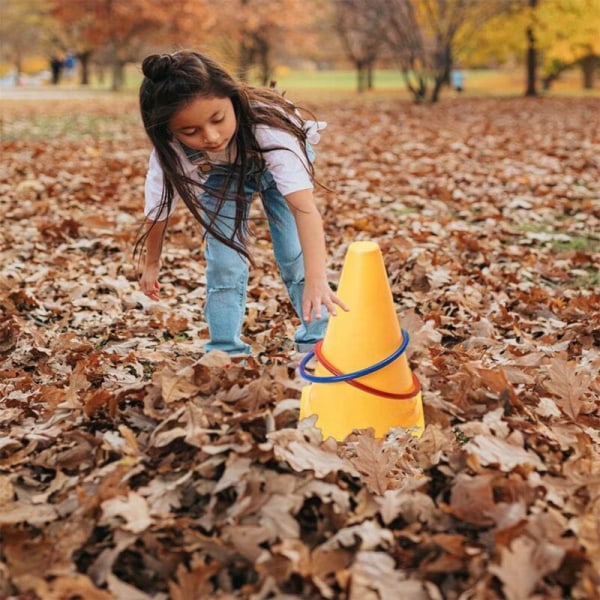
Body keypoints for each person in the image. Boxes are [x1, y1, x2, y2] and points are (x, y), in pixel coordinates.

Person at [137, 50, 347, 355]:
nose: (211, 137)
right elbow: (158, 210)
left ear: (231, 98)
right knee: (224, 263)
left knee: (293, 255)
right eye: (190, 131)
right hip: (222, 174)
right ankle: (225, 350)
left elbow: (304, 209)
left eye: (218, 119)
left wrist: (317, 280)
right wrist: (151, 264)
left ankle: (318, 340)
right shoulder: (171, 151)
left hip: (274, 170)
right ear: (169, 131)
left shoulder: (269, 128)